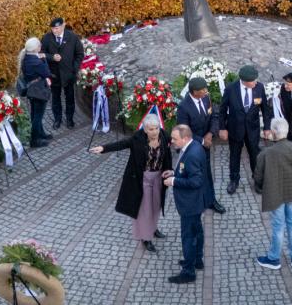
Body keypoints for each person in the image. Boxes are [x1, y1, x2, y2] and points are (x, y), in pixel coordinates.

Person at [90, 114, 172, 253]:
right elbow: (122, 144)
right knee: (145, 209)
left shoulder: (164, 135)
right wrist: (103, 148)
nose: (154, 132)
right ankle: (146, 237)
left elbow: (175, 144)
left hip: (158, 178)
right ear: (145, 129)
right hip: (142, 179)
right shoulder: (137, 139)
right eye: (151, 129)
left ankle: (153, 228)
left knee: (156, 206)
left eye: (156, 128)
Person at [254, 118, 292, 270]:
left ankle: (274, 259)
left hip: (275, 195)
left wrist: (260, 188)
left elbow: (257, 176)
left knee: (278, 226)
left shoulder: (265, 153)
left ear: (273, 133)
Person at [217, 65, 272, 194]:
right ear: (244, 81)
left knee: (255, 155)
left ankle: (257, 180)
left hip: (252, 129)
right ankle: (234, 180)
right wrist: (222, 128)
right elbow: (222, 110)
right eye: (253, 81)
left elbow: (265, 109)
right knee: (234, 155)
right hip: (235, 128)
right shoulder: (231, 89)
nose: (256, 82)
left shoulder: (259, 87)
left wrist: (267, 127)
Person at [163, 124, 206, 284]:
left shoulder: (192, 154)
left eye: (175, 139)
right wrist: (174, 172)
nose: (172, 141)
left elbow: (196, 181)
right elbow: (187, 170)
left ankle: (188, 272)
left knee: (188, 236)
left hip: (190, 204)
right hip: (195, 201)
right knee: (197, 231)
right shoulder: (194, 146)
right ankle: (197, 260)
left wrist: (174, 181)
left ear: (185, 138)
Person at [176, 77, 226, 214]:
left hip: (206, 145)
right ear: (194, 92)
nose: (206, 91)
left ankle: (210, 200)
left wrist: (210, 133)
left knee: (207, 173)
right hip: (192, 148)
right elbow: (184, 131)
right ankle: (194, 201)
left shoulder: (205, 98)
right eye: (203, 89)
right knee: (193, 174)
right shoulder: (183, 107)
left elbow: (213, 116)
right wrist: (202, 141)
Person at [41, 17, 84, 129]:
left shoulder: (72, 37)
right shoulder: (46, 38)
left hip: (68, 74)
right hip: (54, 75)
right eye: (52, 29)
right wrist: (51, 57)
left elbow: (80, 54)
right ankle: (57, 119)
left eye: (56, 28)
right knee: (55, 99)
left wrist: (74, 69)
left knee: (70, 98)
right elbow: (41, 54)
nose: (54, 31)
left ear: (63, 26)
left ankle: (69, 119)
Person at [17, 37, 52, 148]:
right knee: (38, 116)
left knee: (35, 114)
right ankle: (35, 140)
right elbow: (47, 73)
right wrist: (44, 59)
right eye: (39, 45)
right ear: (34, 49)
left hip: (32, 90)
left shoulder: (26, 58)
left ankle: (41, 134)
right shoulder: (36, 61)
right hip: (38, 91)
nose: (40, 46)